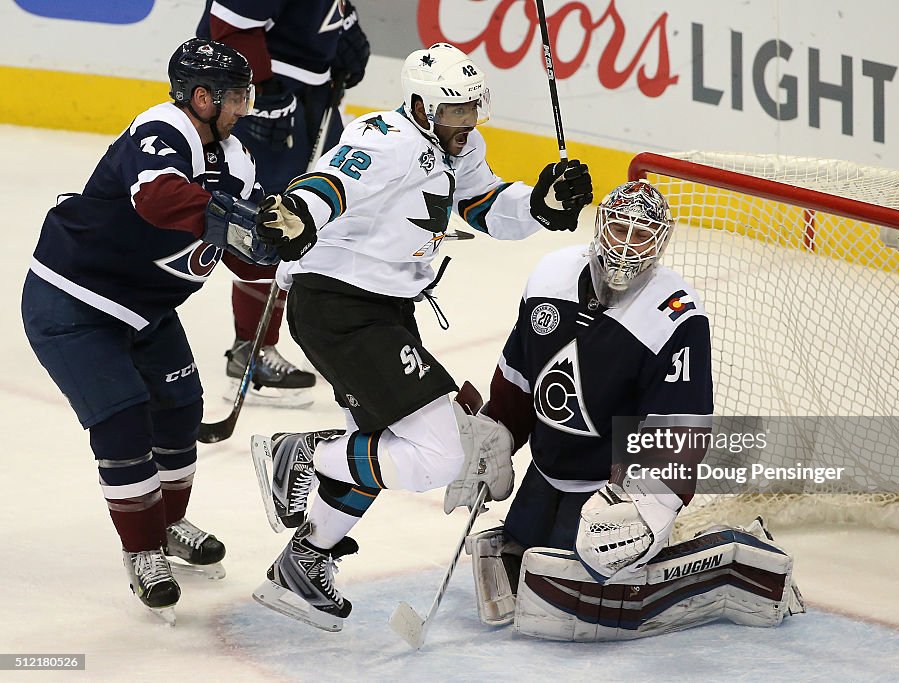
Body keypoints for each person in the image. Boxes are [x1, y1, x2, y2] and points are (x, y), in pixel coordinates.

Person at [247, 41, 594, 632]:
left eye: (470, 113)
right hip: (341, 309)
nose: (464, 126)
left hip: (381, 312)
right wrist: (301, 215)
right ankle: (301, 455)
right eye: (452, 113)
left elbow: (482, 205)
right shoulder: (386, 138)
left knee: (378, 443)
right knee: (439, 454)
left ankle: (304, 563)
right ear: (419, 103)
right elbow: (333, 183)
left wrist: (538, 204)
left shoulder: (458, 145)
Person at [461, 180, 802, 640]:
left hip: (613, 483)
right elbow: (520, 371)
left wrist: (652, 501)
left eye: (640, 234)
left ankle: (728, 562)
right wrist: (497, 429)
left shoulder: (675, 314)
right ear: (600, 225)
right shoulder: (550, 273)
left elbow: (680, 421)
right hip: (550, 466)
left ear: (660, 242)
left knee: (585, 585)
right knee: (516, 555)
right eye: (618, 227)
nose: (625, 244)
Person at [21, 38, 277, 624]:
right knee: (123, 417)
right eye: (235, 96)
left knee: (182, 407)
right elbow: (159, 199)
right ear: (202, 97)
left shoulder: (235, 157)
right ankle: (143, 551)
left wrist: (291, 242)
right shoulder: (162, 128)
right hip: (74, 302)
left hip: (148, 309)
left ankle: (166, 523)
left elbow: (247, 251)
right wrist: (240, 220)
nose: (244, 107)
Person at [197, 0, 372, 405]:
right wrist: (260, 93)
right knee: (272, 223)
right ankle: (250, 350)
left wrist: (345, 33)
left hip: (308, 95)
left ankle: (333, 339)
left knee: (332, 217)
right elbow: (232, 25)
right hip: (267, 102)